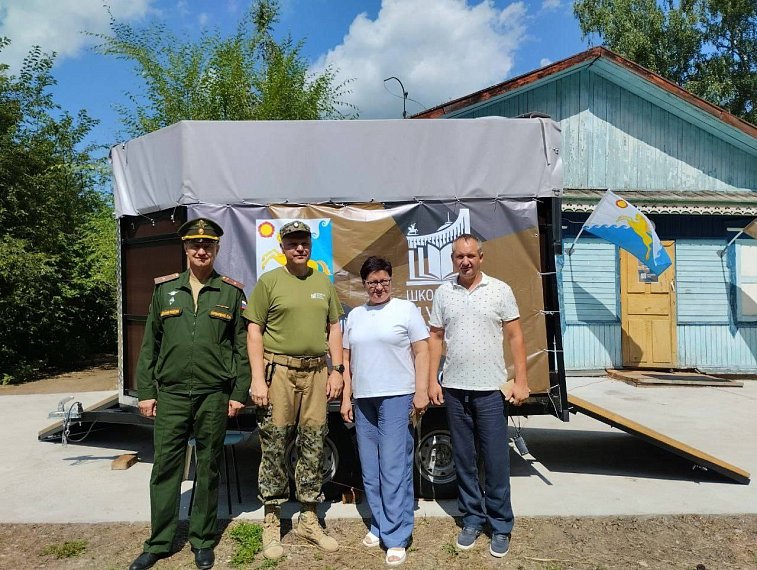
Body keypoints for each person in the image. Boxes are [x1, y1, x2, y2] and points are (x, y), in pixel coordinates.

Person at [129, 218, 250, 570]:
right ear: (185, 249)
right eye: (195, 245)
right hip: (172, 395)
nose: (201, 250)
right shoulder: (164, 290)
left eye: (208, 246)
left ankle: (202, 540)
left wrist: (237, 391)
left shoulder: (230, 292)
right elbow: (149, 345)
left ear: (216, 249)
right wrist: (146, 393)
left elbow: (241, 347)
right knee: (165, 468)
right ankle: (159, 542)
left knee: (208, 468)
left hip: (213, 395)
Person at [245, 220, 344, 560]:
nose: (299, 248)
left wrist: (338, 371)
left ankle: (308, 518)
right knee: (274, 444)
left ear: (310, 246)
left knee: (314, 443)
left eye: (304, 242)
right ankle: (271, 520)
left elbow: (334, 327)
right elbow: (254, 331)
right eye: (292, 243)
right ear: (283, 247)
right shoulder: (270, 281)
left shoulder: (322, 283)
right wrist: (258, 379)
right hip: (280, 373)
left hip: (316, 372)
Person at [427, 233, 530, 559]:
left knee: (497, 461)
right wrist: (432, 380)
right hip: (455, 390)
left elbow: (515, 336)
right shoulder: (445, 293)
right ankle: (472, 518)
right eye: (459, 256)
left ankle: (500, 525)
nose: (465, 261)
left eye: (471, 256)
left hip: (490, 391)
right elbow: (435, 338)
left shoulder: (499, 290)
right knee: (464, 459)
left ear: (481, 257)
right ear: (453, 259)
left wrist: (522, 381)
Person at [340, 256, 429, 567]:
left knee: (394, 469)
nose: (378, 287)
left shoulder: (405, 310)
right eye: (372, 282)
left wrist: (420, 391)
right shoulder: (355, 316)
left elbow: (422, 352)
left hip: (396, 397)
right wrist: (347, 397)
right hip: (364, 400)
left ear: (391, 281)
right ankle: (380, 524)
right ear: (364, 284)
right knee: (371, 470)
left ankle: (397, 535)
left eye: (383, 281)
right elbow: (347, 361)